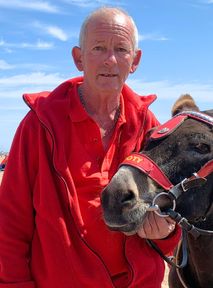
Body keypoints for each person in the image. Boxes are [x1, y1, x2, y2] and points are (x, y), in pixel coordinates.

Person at [0, 7, 180, 288]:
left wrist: (165, 232)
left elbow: (171, 214)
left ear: (135, 60)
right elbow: (10, 220)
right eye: (98, 48)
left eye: (121, 49)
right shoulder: (40, 124)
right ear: (78, 58)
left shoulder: (150, 127)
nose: (110, 60)